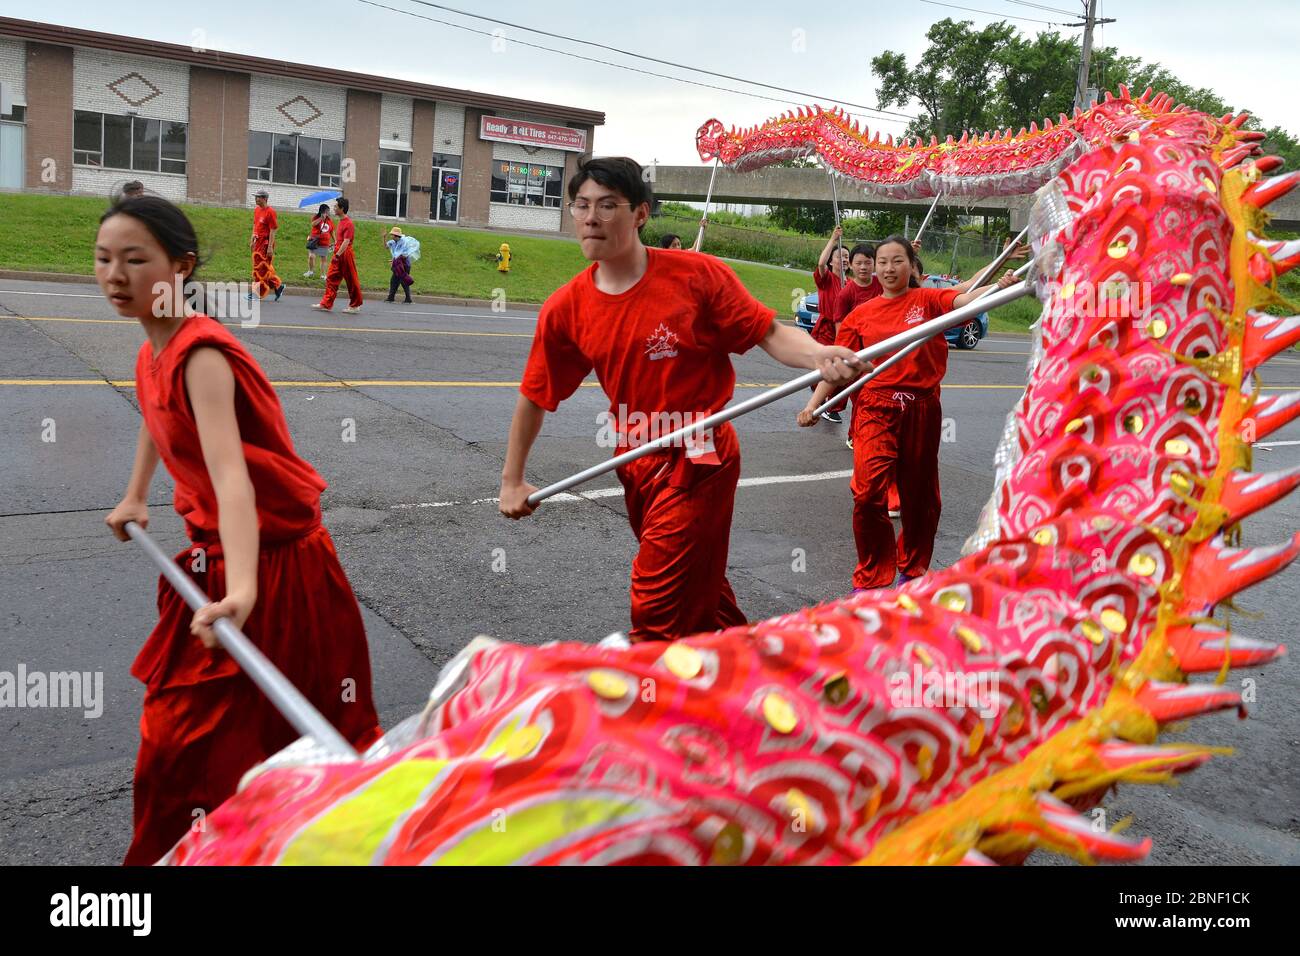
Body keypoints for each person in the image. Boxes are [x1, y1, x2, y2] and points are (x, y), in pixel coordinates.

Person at [95, 195, 382, 865]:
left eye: (136, 260)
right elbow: (158, 415)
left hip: (277, 568)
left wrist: (245, 591)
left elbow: (233, 481)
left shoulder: (202, 356)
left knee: (275, 744)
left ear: (181, 266)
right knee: (185, 748)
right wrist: (136, 494)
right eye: (105, 259)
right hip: (222, 562)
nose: (115, 275)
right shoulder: (154, 347)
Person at [498, 156, 863, 643]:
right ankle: (755, 674)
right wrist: (512, 479)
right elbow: (535, 395)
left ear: (641, 214)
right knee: (703, 592)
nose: (591, 217)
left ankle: (655, 699)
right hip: (635, 455)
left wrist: (819, 354)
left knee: (656, 601)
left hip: (701, 456)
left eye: (608, 205)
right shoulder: (566, 307)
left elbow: (768, 332)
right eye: (581, 205)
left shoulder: (696, 276)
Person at [798, 234, 1016, 591]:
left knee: (920, 498)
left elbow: (965, 299)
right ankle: (871, 576)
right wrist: (812, 405)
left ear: (912, 267)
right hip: (875, 407)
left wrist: (997, 287)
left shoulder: (928, 300)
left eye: (896, 261)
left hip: (921, 408)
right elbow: (839, 365)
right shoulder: (860, 316)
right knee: (868, 493)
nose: (887, 268)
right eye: (882, 261)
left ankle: (912, 570)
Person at [809, 226, 851, 423]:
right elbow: (820, 263)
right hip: (826, 331)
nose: (843, 259)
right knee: (824, 371)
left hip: (844, 331)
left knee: (844, 371)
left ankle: (831, 406)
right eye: (839, 255)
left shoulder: (851, 284)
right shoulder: (826, 279)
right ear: (832, 260)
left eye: (846, 256)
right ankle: (820, 399)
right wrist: (833, 239)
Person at [312, 196, 362, 314]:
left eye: (335, 207)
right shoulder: (341, 222)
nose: (333, 209)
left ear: (342, 208)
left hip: (345, 255)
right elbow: (340, 240)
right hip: (338, 253)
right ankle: (326, 303)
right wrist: (335, 247)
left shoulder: (349, 223)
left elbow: (347, 241)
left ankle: (355, 305)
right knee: (331, 278)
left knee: (351, 280)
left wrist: (338, 255)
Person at [249, 189, 285, 302]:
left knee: (261, 269)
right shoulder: (257, 210)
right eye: (256, 197)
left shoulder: (270, 212)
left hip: (265, 244)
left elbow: (272, 230)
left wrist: (270, 247)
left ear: (264, 198)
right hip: (257, 242)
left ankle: (257, 293)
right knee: (262, 268)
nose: (256, 199)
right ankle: (278, 287)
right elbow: (255, 225)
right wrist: (252, 240)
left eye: (258, 197)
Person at [384, 226, 419, 304]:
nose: (391, 236)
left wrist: (395, 260)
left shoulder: (404, 242)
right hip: (397, 265)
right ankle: (391, 298)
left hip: (404, 265)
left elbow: (404, 255)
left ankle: (408, 299)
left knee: (404, 281)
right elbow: (386, 246)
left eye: (392, 234)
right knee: (394, 281)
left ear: (396, 235)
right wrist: (384, 237)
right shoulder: (393, 242)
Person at [304, 203, 333, 278]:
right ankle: (310, 271)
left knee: (323, 258)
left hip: (324, 242)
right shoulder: (316, 217)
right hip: (314, 241)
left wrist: (335, 240)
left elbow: (332, 231)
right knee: (311, 256)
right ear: (323, 211)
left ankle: (323, 275)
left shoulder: (329, 220)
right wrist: (321, 218)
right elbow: (313, 224)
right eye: (327, 211)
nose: (329, 212)